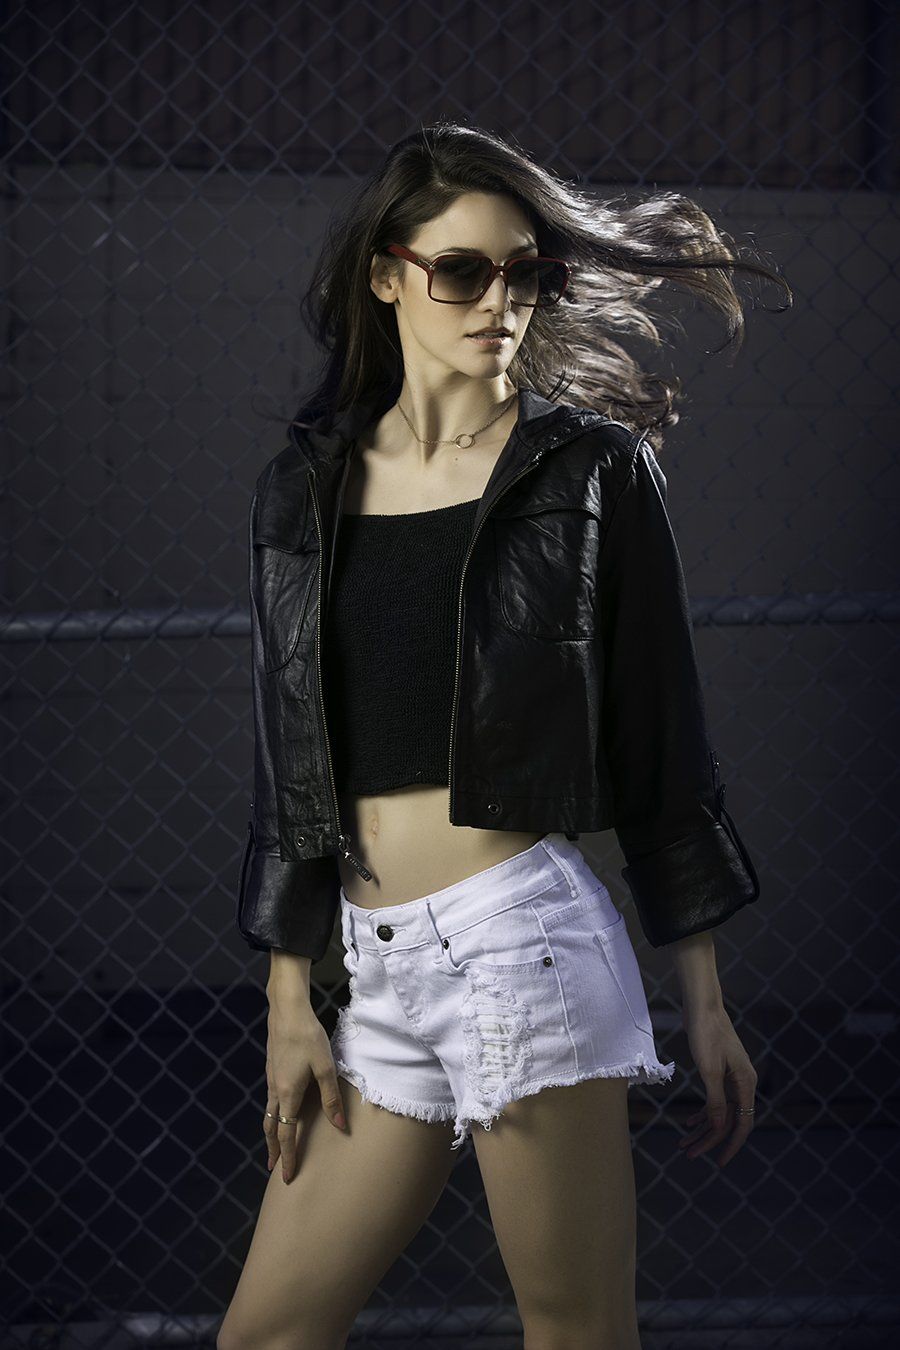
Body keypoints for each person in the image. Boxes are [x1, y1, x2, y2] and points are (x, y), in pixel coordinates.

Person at [218, 121, 791, 1350]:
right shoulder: (305, 488)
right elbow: (293, 757)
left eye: (525, 273)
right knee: (267, 1333)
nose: (501, 303)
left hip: (518, 947)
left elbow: (661, 742)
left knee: (576, 1331)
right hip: (368, 968)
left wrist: (702, 993)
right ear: (388, 271)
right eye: (463, 271)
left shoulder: (589, 473)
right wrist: (287, 989)